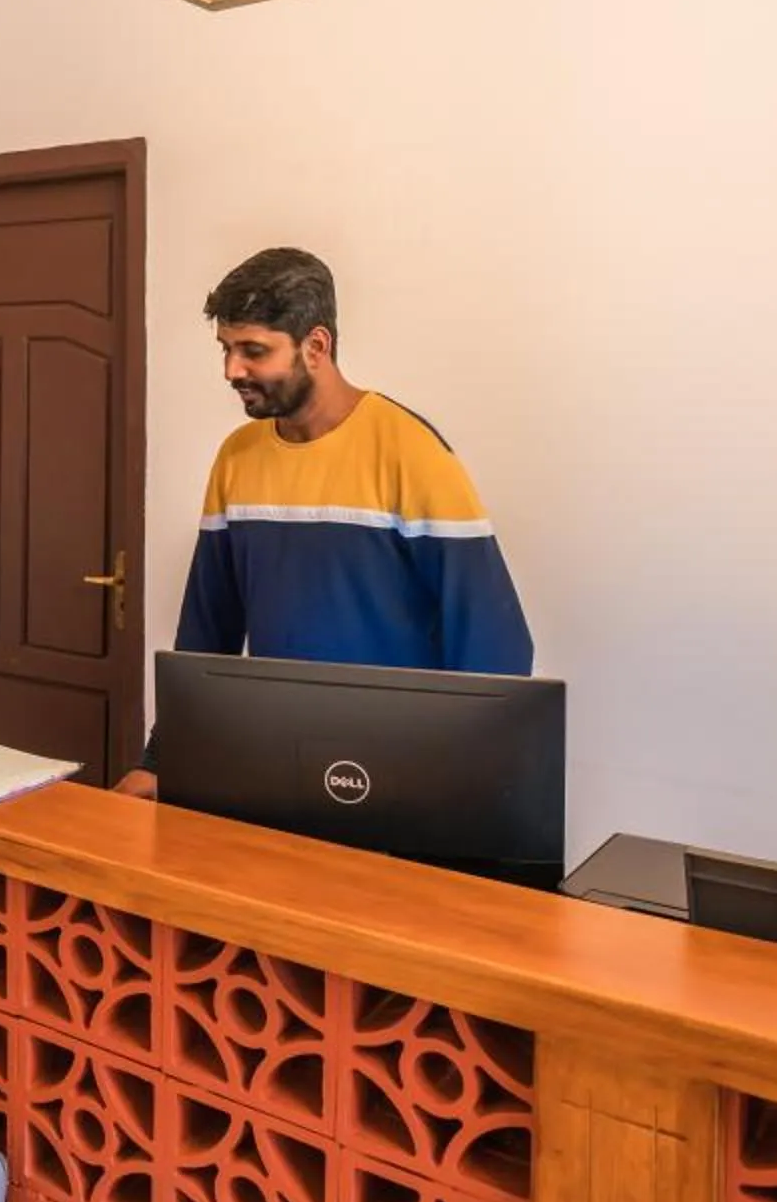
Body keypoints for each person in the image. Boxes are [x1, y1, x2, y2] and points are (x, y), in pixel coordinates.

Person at [118, 248, 532, 800]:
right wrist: (159, 759)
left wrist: (462, 790)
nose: (231, 370)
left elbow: (493, 646)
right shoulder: (236, 457)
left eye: (253, 351)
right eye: (226, 349)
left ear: (316, 346)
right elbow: (205, 636)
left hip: (397, 775)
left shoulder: (411, 451)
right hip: (275, 764)